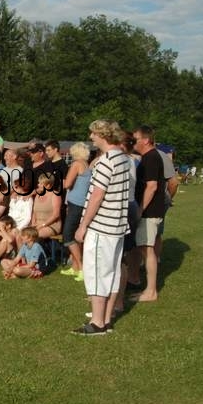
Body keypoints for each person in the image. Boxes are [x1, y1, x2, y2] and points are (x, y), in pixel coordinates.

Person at [73, 119, 130, 335]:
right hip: (116, 225)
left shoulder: (107, 161)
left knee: (97, 273)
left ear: (102, 135)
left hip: (102, 226)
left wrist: (83, 225)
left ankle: (97, 323)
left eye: (93, 134)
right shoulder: (123, 158)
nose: (91, 138)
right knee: (112, 271)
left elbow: (97, 195)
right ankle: (106, 319)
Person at [130, 125, 166, 302]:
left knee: (147, 249)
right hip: (151, 210)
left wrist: (140, 209)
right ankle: (148, 288)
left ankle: (151, 291)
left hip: (150, 212)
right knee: (145, 248)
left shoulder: (151, 158)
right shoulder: (149, 157)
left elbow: (152, 186)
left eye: (135, 139)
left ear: (145, 140)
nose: (133, 142)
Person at [60, 142, 92, 281]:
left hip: (76, 203)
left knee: (68, 235)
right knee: (75, 235)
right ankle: (75, 267)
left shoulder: (76, 164)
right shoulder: (87, 165)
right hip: (81, 202)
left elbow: (67, 184)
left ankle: (81, 267)